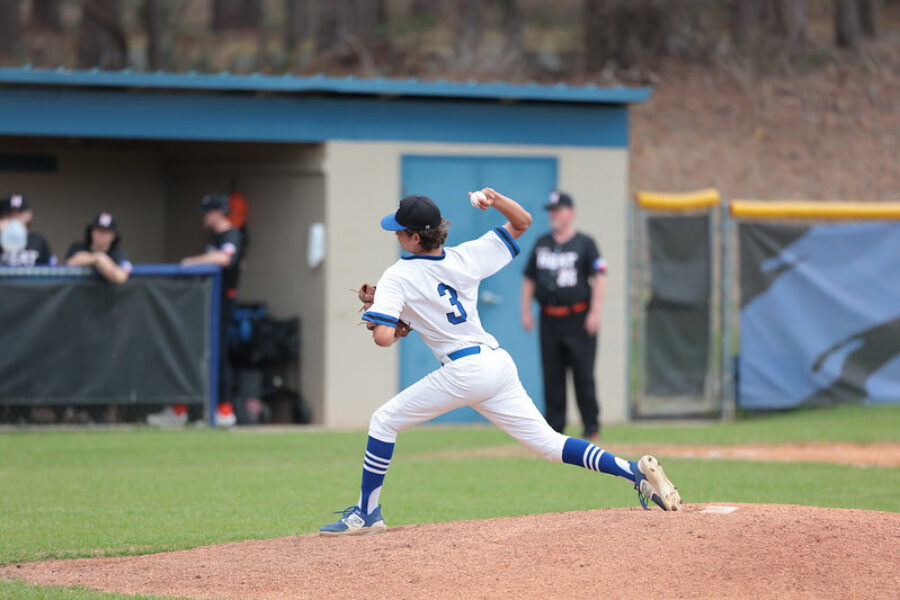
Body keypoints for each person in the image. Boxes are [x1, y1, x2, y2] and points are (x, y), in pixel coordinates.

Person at [319, 190, 681, 536]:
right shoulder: (466, 256)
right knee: (550, 444)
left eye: (400, 231)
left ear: (415, 237)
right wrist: (495, 200)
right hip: (496, 364)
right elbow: (522, 222)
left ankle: (367, 513)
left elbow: (383, 338)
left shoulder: (397, 275)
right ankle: (633, 472)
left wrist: (391, 318)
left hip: (464, 371)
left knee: (384, 421)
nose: (397, 235)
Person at [147, 195, 244, 428]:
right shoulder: (214, 237)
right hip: (206, 301)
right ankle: (182, 410)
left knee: (216, 353)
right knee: (193, 352)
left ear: (219, 212)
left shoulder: (231, 234)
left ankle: (223, 410)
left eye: (207, 212)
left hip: (222, 302)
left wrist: (193, 261)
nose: (204, 217)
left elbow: (225, 258)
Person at [521, 191, 606, 441]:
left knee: (583, 374)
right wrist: (525, 311)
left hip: (578, 317)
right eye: (551, 211)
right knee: (552, 374)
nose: (553, 215)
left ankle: (591, 426)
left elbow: (600, 277)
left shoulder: (585, 243)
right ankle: (554, 429)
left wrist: (596, 311)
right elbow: (529, 278)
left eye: (558, 210)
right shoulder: (542, 243)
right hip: (549, 319)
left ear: (571, 212)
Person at [65, 212, 132, 284]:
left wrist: (102, 263)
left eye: (106, 232)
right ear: (91, 231)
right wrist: (97, 258)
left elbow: (121, 277)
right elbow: (70, 263)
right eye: (99, 230)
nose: (102, 234)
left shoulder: (119, 254)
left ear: (113, 236)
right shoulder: (78, 247)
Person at [0, 194, 54, 267]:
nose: (14, 219)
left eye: (19, 214)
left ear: (29, 215)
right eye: (9, 215)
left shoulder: (38, 241)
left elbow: (51, 268)